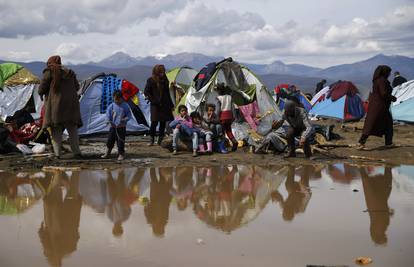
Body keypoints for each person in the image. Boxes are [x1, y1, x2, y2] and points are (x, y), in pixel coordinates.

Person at [38, 55, 82, 158]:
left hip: (56, 105)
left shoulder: (49, 72)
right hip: (71, 105)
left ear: (49, 63)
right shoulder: (70, 72)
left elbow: (41, 89)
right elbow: (77, 87)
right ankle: (77, 153)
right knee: (72, 129)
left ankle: (57, 154)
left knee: (56, 129)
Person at [358, 65, 397, 149]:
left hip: (377, 105)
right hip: (380, 106)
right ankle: (361, 142)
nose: (389, 74)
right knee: (372, 124)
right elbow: (383, 93)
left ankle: (388, 142)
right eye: (389, 72)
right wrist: (392, 98)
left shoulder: (377, 80)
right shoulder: (382, 81)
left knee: (386, 124)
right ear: (385, 72)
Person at [144, 64, 174, 146]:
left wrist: (171, 104)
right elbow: (146, 92)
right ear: (156, 72)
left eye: (163, 71)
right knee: (154, 122)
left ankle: (160, 140)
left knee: (163, 123)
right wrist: (154, 101)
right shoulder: (150, 80)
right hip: (155, 105)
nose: (163, 73)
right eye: (161, 71)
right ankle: (151, 139)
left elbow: (167, 93)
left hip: (165, 104)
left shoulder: (165, 80)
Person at [101, 90, 132, 161]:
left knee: (120, 142)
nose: (117, 101)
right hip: (113, 127)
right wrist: (108, 121)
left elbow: (129, 115)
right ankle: (107, 153)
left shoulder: (125, 106)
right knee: (110, 140)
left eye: (118, 99)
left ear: (122, 98)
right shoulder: (111, 106)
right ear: (113, 98)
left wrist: (124, 119)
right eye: (115, 99)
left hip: (121, 127)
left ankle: (121, 154)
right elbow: (108, 115)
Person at [216, 84, 238, 152]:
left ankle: (223, 147)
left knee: (222, 132)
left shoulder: (218, 98)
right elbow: (233, 108)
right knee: (228, 130)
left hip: (222, 116)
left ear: (218, 90)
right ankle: (234, 141)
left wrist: (217, 117)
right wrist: (234, 116)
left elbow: (218, 109)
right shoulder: (229, 97)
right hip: (229, 116)